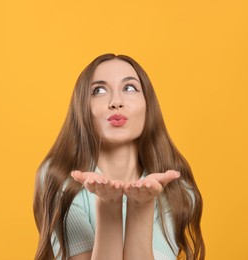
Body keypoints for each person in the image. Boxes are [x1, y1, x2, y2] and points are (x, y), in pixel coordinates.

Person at [33, 54, 205, 260]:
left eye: (129, 88)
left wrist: (141, 206)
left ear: (148, 105)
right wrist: (108, 206)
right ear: (82, 109)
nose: (116, 102)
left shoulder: (177, 189)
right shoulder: (60, 178)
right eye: (99, 90)